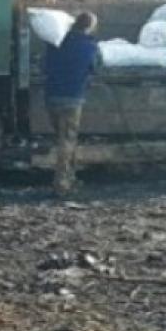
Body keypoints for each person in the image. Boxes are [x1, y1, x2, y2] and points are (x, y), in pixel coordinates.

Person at [43, 12, 100, 195]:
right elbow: (94, 68)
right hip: (72, 98)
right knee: (67, 140)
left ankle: (71, 177)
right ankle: (61, 184)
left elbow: (45, 65)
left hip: (51, 96)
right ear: (89, 26)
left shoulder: (56, 42)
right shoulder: (89, 46)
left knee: (62, 137)